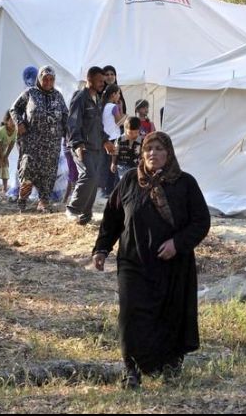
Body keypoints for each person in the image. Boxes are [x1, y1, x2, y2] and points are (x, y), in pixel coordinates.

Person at [92, 132, 211, 389]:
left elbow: (201, 221)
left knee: (170, 315)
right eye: (148, 149)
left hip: (173, 265)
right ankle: (131, 370)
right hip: (133, 262)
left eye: (159, 148)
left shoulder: (185, 183)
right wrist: (101, 248)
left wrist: (177, 244)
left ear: (168, 153)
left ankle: (169, 366)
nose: (152, 154)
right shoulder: (129, 181)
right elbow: (112, 217)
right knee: (131, 315)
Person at [10, 65, 69, 213]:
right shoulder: (30, 93)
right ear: (39, 79)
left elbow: (66, 116)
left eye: (51, 79)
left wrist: (69, 133)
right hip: (32, 143)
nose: (48, 82)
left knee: (48, 175)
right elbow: (14, 109)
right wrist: (19, 122)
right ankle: (23, 199)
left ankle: (43, 202)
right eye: (45, 79)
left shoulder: (58, 96)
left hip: (52, 145)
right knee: (28, 169)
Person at [66, 66, 116, 225]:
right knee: (89, 175)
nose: (103, 83)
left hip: (96, 146)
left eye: (104, 81)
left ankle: (85, 215)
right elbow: (73, 122)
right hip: (83, 146)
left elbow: (98, 126)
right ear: (89, 80)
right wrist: (78, 144)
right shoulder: (80, 97)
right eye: (100, 81)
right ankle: (73, 209)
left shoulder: (98, 100)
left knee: (95, 180)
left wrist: (106, 141)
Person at [99, 83, 126, 198]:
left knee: (105, 166)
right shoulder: (113, 107)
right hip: (114, 139)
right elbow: (119, 122)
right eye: (118, 93)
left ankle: (105, 190)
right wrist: (124, 114)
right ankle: (113, 191)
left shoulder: (102, 106)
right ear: (113, 94)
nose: (119, 96)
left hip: (104, 138)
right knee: (114, 166)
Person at [111, 116, 142, 180]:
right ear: (125, 130)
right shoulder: (120, 139)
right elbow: (115, 152)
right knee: (125, 179)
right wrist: (113, 163)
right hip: (123, 164)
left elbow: (142, 153)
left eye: (136, 132)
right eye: (130, 133)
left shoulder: (140, 139)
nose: (133, 135)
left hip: (135, 165)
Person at [102, 65, 128, 129]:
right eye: (107, 75)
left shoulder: (118, 90)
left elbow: (123, 110)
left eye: (112, 74)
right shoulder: (99, 91)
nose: (110, 77)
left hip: (117, 129)